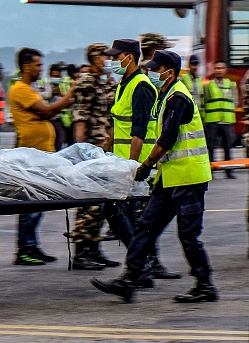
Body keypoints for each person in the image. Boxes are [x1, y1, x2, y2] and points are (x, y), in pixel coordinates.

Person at [91, 50, 217, 303]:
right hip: (170, 178)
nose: (152, 73)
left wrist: (147, 163)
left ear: (169, 72)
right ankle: (130, 280)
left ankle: (205, 285)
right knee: (146, 228)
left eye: (156, 69)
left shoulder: (178, 97)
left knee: (188, 235)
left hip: (189, 178)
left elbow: (167, 139)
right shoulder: (164, 95)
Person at [105, 39, 180, 281]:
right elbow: (119, 125)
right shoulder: (124, 84)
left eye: (116, 57)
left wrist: (134, 168)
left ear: (129, 56)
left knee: (130, 214)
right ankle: (144, 265)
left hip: (135, 165)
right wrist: (104, 152)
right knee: (122, 213)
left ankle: (144, 266)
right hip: (121, 162)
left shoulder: (141, 86)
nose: (112, 61)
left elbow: (139, 131)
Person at [8, 48, 75, 265]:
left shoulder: (30, 89)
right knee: (30, 205)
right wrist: (70, 95)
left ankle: (32, 246)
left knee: (38, 204)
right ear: (26, 66)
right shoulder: (20, 89)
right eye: (38, 65)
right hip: (31, 156)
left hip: (40, 154)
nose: (41, 69)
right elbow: (47, 111)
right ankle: (25, 250)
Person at [70, 44, 119, 270]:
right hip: (92, 149)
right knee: (88, 204)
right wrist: (80, 151)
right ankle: (81, 252)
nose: (108, 60)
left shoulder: (107, 81)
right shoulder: (86, 82)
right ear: (93, 58)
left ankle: (94, 248)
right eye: (104, 56)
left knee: (102, 203)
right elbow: (80, 117)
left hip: (107, 148)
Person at [203, 59, 237, 179]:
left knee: (228, 147)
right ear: (214, 70)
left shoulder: (231, 85)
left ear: (225, 70)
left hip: (227, 121)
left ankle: (229, 171)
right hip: (212, 121)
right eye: (217, 68)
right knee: (210, 147)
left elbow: (235, 101)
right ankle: (210, 171)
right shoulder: (208, 85)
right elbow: (204, 101)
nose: (219, 70)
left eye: (221, 68)